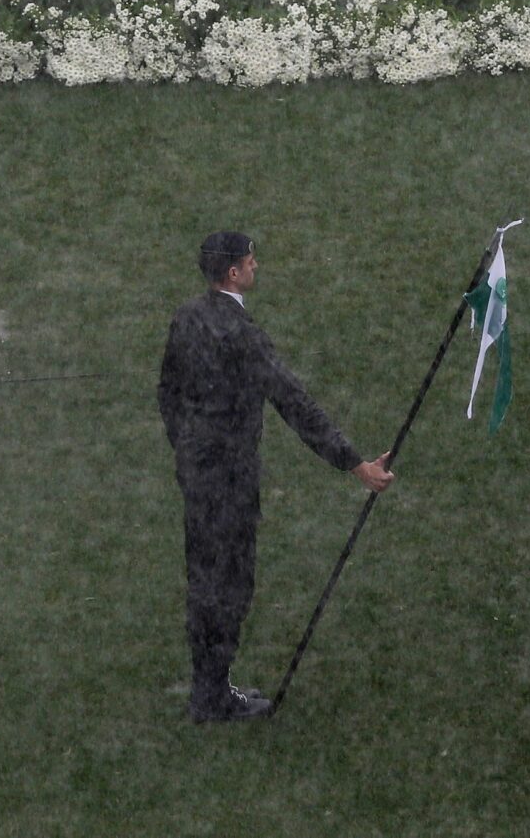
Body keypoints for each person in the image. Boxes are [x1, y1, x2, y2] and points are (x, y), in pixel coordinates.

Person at [157, 232, 393, 722]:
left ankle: (207, 685)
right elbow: (293, 401)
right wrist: (355, 463)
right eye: (250, 262)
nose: (256, 266)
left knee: (204, 578)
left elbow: (168, 393)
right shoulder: (243, 336)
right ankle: (213, 695)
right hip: (230, 477)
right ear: (233, 273)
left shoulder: (186, 317)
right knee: (231, 585)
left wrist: (186, 449)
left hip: (196, 472)